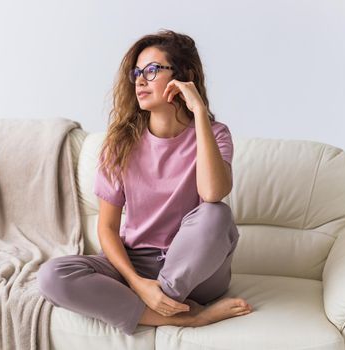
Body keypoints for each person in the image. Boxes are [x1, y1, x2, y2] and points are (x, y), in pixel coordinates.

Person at [37, 29, 252, 336]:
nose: (139, 80)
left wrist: (200, 113)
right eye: (137, 73)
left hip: (199, 270)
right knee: (52, 276)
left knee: (216, 213)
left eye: (151, 71)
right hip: (139, 264)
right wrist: (138, 284)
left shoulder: (215, 134)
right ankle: (184, 316)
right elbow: (107, 228)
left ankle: (161, 301)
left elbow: (212, 192)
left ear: (183, 76)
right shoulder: (120, 144)